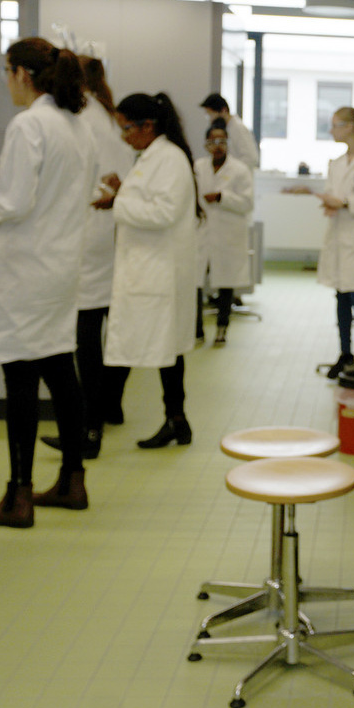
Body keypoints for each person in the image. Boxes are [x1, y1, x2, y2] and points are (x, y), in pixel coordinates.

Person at [0, 37, 96, 527]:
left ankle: (17, 495)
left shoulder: (29, 125)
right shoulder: (76, 128)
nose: (6, 83)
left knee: (20, 380)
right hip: (61, 267)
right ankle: (72, 479)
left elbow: (15, 199)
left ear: (23, 73)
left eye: (6, 72)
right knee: (61, 371)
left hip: (27, 269)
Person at [39, 55, 135, 460]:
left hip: (92, 230)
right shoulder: (109, 116)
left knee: (87, 335)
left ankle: (87, 428)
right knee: (106, 330)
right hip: (109, 233)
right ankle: (106, 409)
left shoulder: (83, 119)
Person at [104, 92, 200, 450]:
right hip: (148, 271)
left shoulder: (169, 159)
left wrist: (119, 202)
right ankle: (177, 421)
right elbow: (148, 201)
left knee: (140, 350)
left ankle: (92, 429)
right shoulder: (151, 157)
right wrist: (124, 191)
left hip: (157, 272)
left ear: (148, 125)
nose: (124, 135)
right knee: (163, 352)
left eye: (127, 128)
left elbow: (163, 213)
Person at [286, 106, 354, 378]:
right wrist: (330, 203)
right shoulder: (337, 163)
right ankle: (346, 354)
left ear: (351, 127)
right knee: (341, 294)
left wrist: (343, 203)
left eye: (335, 125)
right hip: (340, 236)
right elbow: (334, 193)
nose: (331, 131)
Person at [194, 120, 255, 347]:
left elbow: (247, 203)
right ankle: (196, 330)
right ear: (206, 144)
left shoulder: (239, 170)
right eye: (212, 142)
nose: (217, 146)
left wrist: (222, 198)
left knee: (226, 282)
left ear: (228, 143)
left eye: (222, 141)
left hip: (227, 233)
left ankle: (222, 328)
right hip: (201, 232)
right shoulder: (198, 167)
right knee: (195, 282)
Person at [200, 92, 259, 170]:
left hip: (238, 178)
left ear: (223, 110)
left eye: (211, 114)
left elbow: (251, 158)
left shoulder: (238, 128)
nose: (210, 119)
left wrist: (231, 171)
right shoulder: (226, 128)